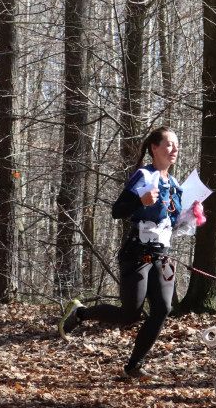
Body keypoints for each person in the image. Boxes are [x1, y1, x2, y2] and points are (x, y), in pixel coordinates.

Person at [59, 127, 200, 379]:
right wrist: (140, 202)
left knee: (162, 309)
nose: (175, 149)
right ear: (154, 148)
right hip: (137, 253)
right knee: (129, 314)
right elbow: (117, 210)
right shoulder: (144, 176)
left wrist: (192, 215)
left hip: (162, 256)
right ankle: (80, 313)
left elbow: (172, 224)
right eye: (169, 144)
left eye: (177, 145)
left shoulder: (175, 184)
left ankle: (134, 365)